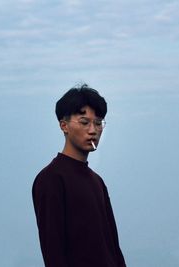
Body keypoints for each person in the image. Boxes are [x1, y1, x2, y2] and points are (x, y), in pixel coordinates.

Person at [32, 84, 127, 267]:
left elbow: (113, 247)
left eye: (98, 123)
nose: (93, 130)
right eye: (84, 122)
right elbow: (53, 252)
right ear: (64, 125)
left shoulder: (97, 182)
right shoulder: (51, 179)